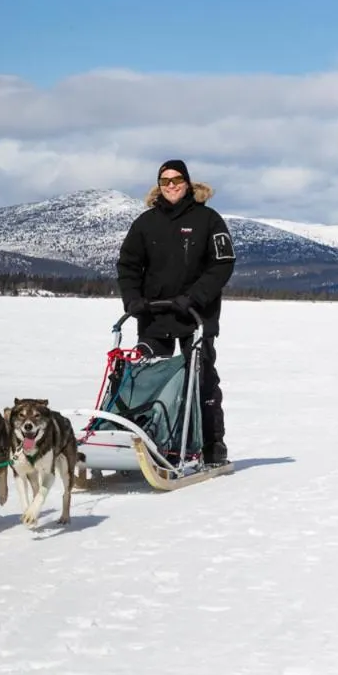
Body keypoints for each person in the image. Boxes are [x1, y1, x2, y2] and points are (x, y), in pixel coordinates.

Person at [116, 159, 236, 465]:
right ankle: (146, 439)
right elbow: (128, 265)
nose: (171, 186)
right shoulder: (145, 223)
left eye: (177, 179)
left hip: (196, 318)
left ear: (188, 182)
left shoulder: (208, 220)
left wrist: (194, 297)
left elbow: (222, 265)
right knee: (144, 378)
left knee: (202, 379)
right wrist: (132, 300)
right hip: (154, 317)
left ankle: (211, 445)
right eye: (165, 181)